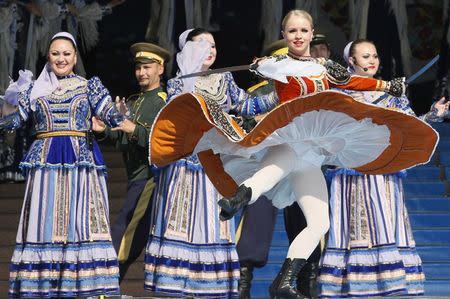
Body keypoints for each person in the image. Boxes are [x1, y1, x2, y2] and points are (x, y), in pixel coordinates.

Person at [148, 10, 439, 299]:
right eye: (292, 31)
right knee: (291, 152)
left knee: (319, 222)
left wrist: (386, 85)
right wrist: (264, 65)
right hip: (289, 134)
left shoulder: (323, 67)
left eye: (303, 31)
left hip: (312, 150)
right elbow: (276, 75)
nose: (298, 36)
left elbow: (351, 83)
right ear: (284, 36)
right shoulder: (281, 64)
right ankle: (241, 195)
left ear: (312, 34)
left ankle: (283, 281)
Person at [144, 28, 277, 298]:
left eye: (213, 45)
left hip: (216, 165)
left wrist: (279, 93)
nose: (210, 49)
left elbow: (247, 105)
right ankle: (178, 285)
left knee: (213, 225)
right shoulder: (178, 84)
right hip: (186, 167)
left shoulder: (225, 79)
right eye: (202, 44)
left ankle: (209, 288)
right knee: (183, 223)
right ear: (188, 49)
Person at [317, 39, 449, 298]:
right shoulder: (338, 95)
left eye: (375, 55)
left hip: (384, 173)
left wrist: (432, 114)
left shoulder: (390, 94)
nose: (372, 61)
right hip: (352, 172)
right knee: (354, 228)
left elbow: (411, 125)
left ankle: (387, 285)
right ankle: (353, 284)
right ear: (351, 61)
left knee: (386, 225)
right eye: (365, 56)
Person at [0, 32, 123, 298]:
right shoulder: (34, 89)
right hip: (46, 162)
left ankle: (83, 285)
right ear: (48, 56)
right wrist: (10, 100)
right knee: (45, 221)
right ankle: (45, 285)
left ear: (75, 57)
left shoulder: (89, 86)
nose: (61, 58)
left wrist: (117, 115)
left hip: (80, 161)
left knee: (80, 222)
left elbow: (111, 117)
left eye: (67, 53)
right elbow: (11, 123)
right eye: (56, 53)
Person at [92, 42, 169, 282]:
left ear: (161, 68)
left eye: (147, 67)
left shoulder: (164, 101)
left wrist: (133, 129)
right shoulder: (135, 101)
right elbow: (122, 140)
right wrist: (103, 130)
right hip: (135, 176)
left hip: (151, 177)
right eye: (139, 68)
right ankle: (107, 285)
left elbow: (165, 141)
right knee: (130, 234)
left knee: (125, 233)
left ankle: (104, 282)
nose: (142, 73)